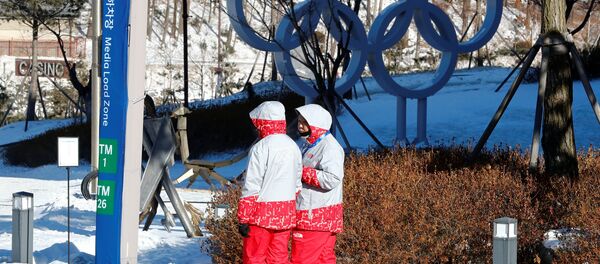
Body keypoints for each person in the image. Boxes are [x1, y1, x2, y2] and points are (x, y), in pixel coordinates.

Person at [238, 101, 302, 264]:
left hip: (261, 214)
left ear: (262, 122)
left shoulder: (261, 147)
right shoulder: (293, 145)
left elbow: (252, 185)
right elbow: (297, 183)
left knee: (254, 257)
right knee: (279, 257)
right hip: (286, 212)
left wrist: (244, 218)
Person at [292, 104, 345, 264]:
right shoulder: (311, 144)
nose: (300, 125)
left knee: (302, 259)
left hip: (314, 215)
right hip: (319, 214)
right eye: (300, 121)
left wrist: (300, 171)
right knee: (323, 259)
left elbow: (333, 178)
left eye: (305, 122)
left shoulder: (329, 147)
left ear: (317, 124)